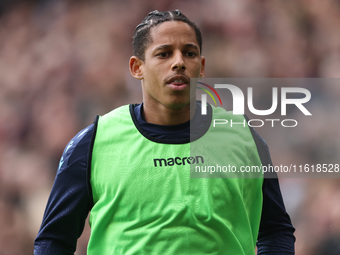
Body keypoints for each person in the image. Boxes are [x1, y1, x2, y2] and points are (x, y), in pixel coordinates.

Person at [34, 10, 295, 254]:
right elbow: (54, 240)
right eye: (164, 54)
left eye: (189, 53)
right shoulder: (94, 142)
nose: (179, 62)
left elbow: (275, 231)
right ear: (137, 67)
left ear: (201, 66)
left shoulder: (243, 138)